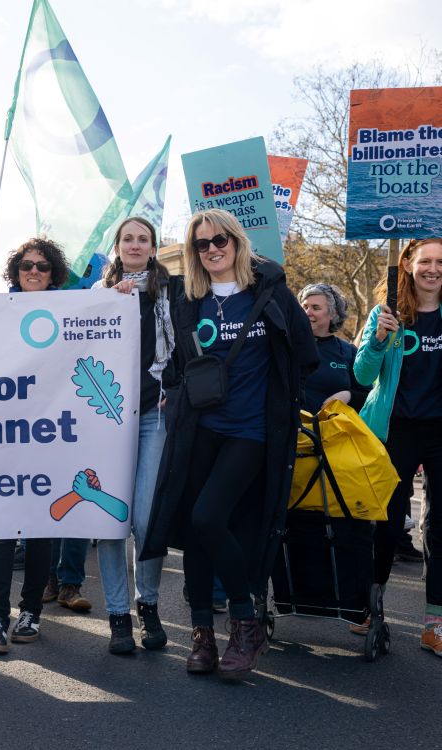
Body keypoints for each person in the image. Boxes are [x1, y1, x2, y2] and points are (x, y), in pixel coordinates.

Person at [143, 208, 317, 679]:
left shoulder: (270, 293)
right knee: (199, 532)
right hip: (198, 429)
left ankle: (245, 621)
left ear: (237, 243)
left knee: (208, 516)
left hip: (251, 432)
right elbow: (168, 351)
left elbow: (305, 354)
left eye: (220, 240)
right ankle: (202, 633)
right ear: (194, 253)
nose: (212, 249)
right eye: (202, 244)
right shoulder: (186, 298)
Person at [353, 237, 442, 656]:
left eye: (441, 262)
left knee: (439, 528)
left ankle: (434, 622)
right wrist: (377, 341)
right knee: (387, 522)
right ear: (407, 264)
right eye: (426, 261)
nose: (433, 269)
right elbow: (363, 373)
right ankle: (372, 607)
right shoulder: (386, 313)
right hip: (395, 430)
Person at [0, 237, 63, 654]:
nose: (33, 271)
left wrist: (115, 295)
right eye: (27, 265)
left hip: (50, 437)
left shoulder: (73, 312)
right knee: (1, 531)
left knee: (40, 529)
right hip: (4, 435)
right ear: (15, 271)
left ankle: (31, 613)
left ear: (53, 274)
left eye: (42, 266)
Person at [94, 217, 174, 654]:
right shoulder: (96, 297)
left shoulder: (170, 292)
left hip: (151, 417)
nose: (135, 245)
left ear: (153, 247)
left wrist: (173, 390)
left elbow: (182, 350)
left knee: (145, 519)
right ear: (118, 245)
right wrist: (109, 302)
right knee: (109, 522)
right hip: (104, 418)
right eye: (128, 238)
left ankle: (149, 604)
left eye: (144, 239)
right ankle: (117, 614)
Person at [298, 283, 369, 415]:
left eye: (315, 308)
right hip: (292, 431)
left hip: (333, 432)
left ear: (333, 313)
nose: (307, 313)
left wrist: (348, 395)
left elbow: (369, 396)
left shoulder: (348, 352)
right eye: (305, 307)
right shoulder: (287, 345)